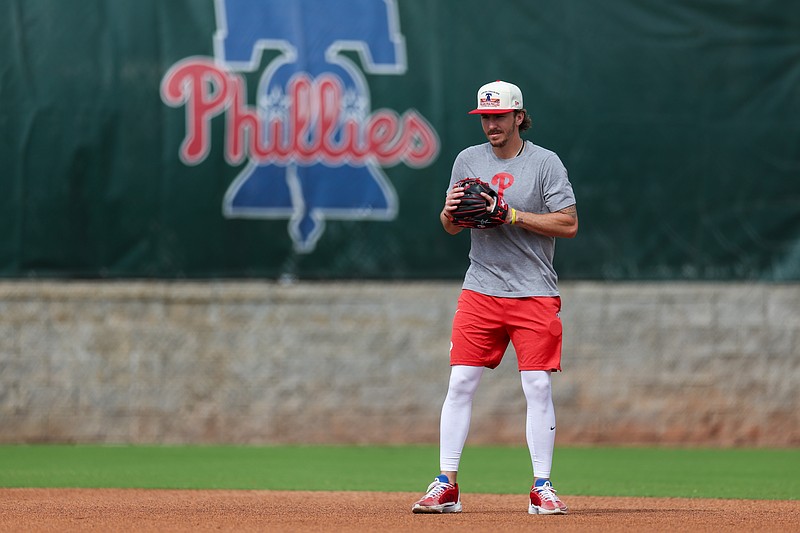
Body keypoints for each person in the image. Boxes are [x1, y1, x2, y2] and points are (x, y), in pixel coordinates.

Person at [411, 80, 578, 515]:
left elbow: (569, 224)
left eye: (499, 116)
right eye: (485, 117)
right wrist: (449, 214)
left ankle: (542, 487)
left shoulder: (545, 163)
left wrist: (513, 214)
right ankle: (446, 484)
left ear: (519, 116)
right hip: (481, 287)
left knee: (537, 385)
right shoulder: (468, 160)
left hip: (533, 290)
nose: (491, 124)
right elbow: (451, 226)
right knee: (461, 381)